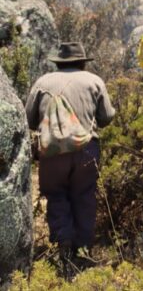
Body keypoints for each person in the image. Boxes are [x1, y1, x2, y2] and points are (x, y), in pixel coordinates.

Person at [25, 42, 115, 271]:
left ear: (57, 62)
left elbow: (30, 120)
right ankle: (83, 253)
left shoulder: (42, 82)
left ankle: (63, 244)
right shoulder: (94, 81)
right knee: (84, 197)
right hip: (86, 149)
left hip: (52, 153)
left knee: (56, 196)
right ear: (83, 62)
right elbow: (106, 118)